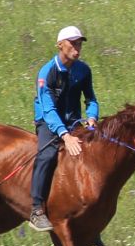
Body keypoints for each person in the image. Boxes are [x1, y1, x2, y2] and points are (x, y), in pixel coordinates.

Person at [29, 25, 98, 231]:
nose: (77, 48)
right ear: (60, 45)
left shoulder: (83, 70)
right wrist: (65, 136)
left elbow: (91, 99)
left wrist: (92, 117)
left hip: (74, 120)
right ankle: (36, 210)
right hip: (49, 122)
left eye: (79, 44)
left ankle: (88, 216)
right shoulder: (47, 72)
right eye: (72, 43)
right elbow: (48, 109)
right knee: (47, 155)